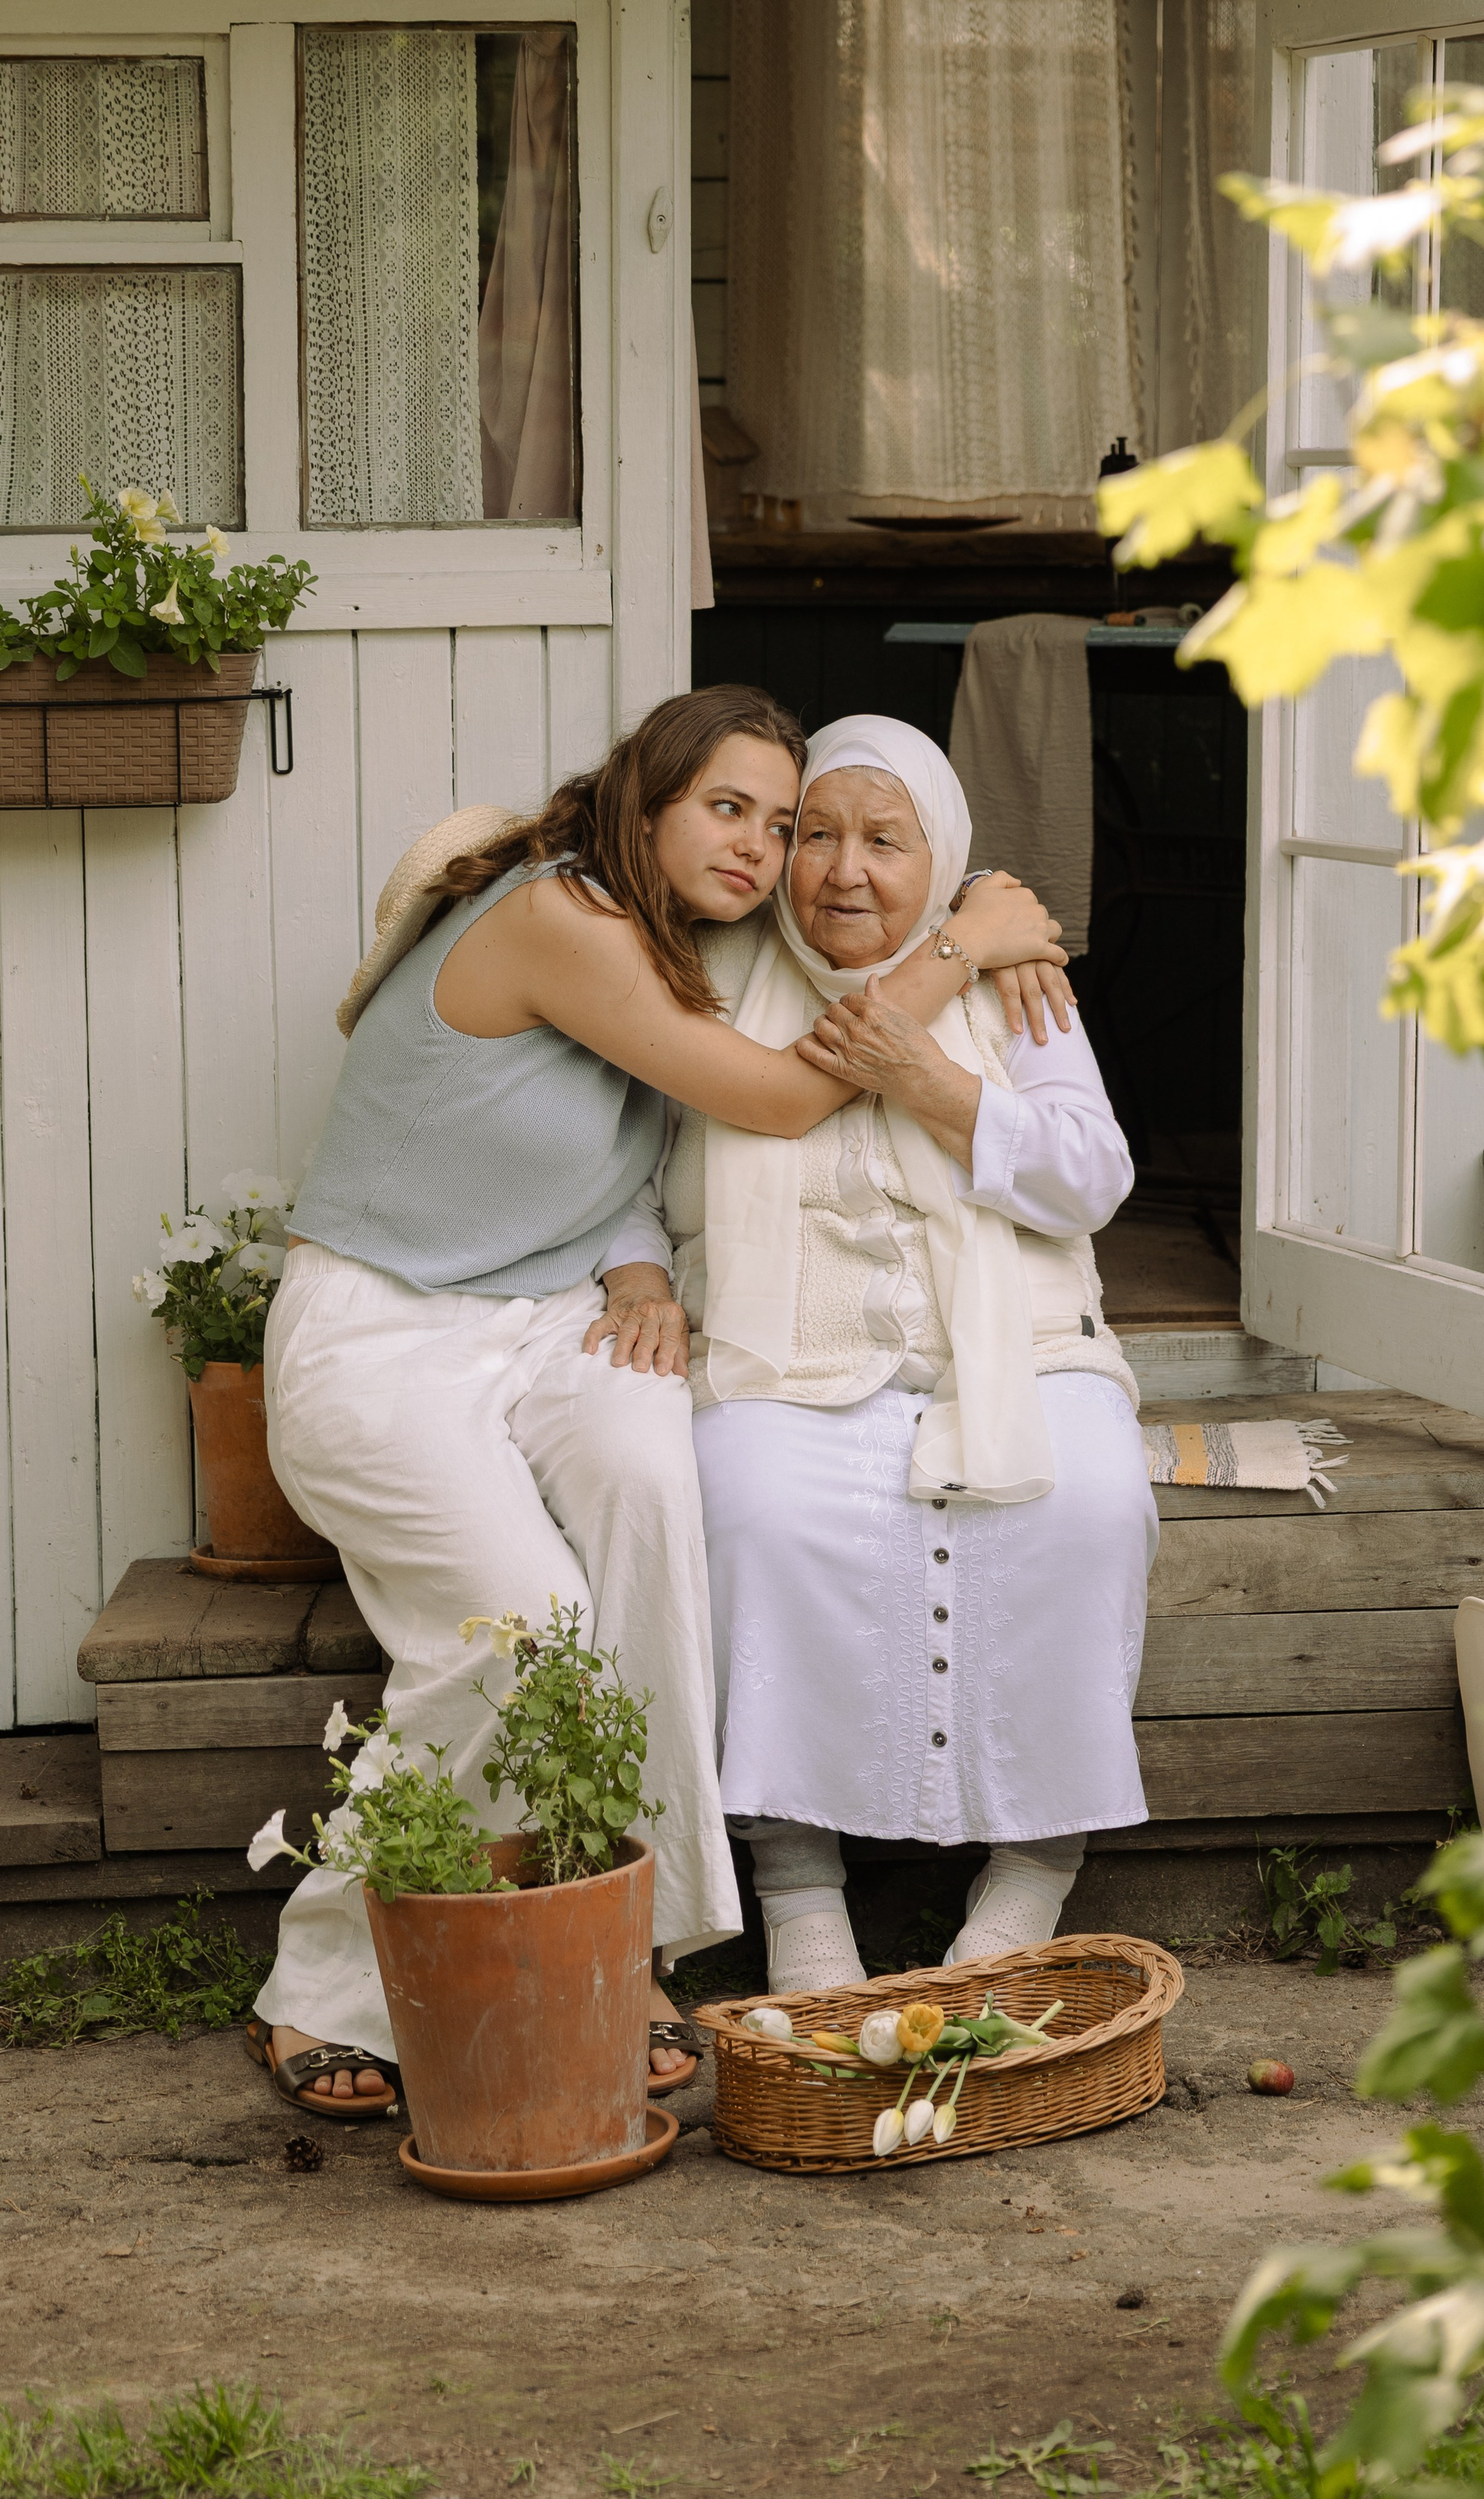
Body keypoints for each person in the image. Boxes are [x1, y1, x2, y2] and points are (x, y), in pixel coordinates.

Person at [247, 684, 1071, 2119]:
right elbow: (774, 1098)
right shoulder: (563, 913)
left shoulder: (695, 928)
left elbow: (620, 1136)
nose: (763, 851)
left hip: (553, 1314)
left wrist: (635, 1267)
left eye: (781, 820)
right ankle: (320, 1982)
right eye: (727, 810)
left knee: (651, 1497)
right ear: (642, 805)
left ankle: (622, 1949)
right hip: (381, 1328)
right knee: (522, 1630)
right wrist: (965, 941)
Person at [662, 715, 1157, 1993]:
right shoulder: (710, 976)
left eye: (884, 841)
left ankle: (1033, 1873)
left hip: (1017, 1338)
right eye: (814, 835)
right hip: (784, 1346)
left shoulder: (1013, 980)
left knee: (1091, 1501)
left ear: (936, 858)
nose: (843, 871)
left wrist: (931, 1085)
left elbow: (1091, 1177)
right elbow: (619, 1159)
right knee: (753, 1507)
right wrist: (629, 1267)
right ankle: (796, 1885)